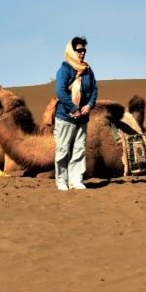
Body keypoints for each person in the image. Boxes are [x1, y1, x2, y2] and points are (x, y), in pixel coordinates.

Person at [54, 36, 97, 190]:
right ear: (72, 51)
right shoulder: (64, 69)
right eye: (79, 50)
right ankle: (61, 181)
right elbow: (60, 91)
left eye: (84, 50)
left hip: (82, 118)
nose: (82, 53)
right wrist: (74, 109)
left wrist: (89, 105)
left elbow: (94, 89)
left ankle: (75, 179)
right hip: (66, 117)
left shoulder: (87, 70)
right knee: (63, 149)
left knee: (79, 149)